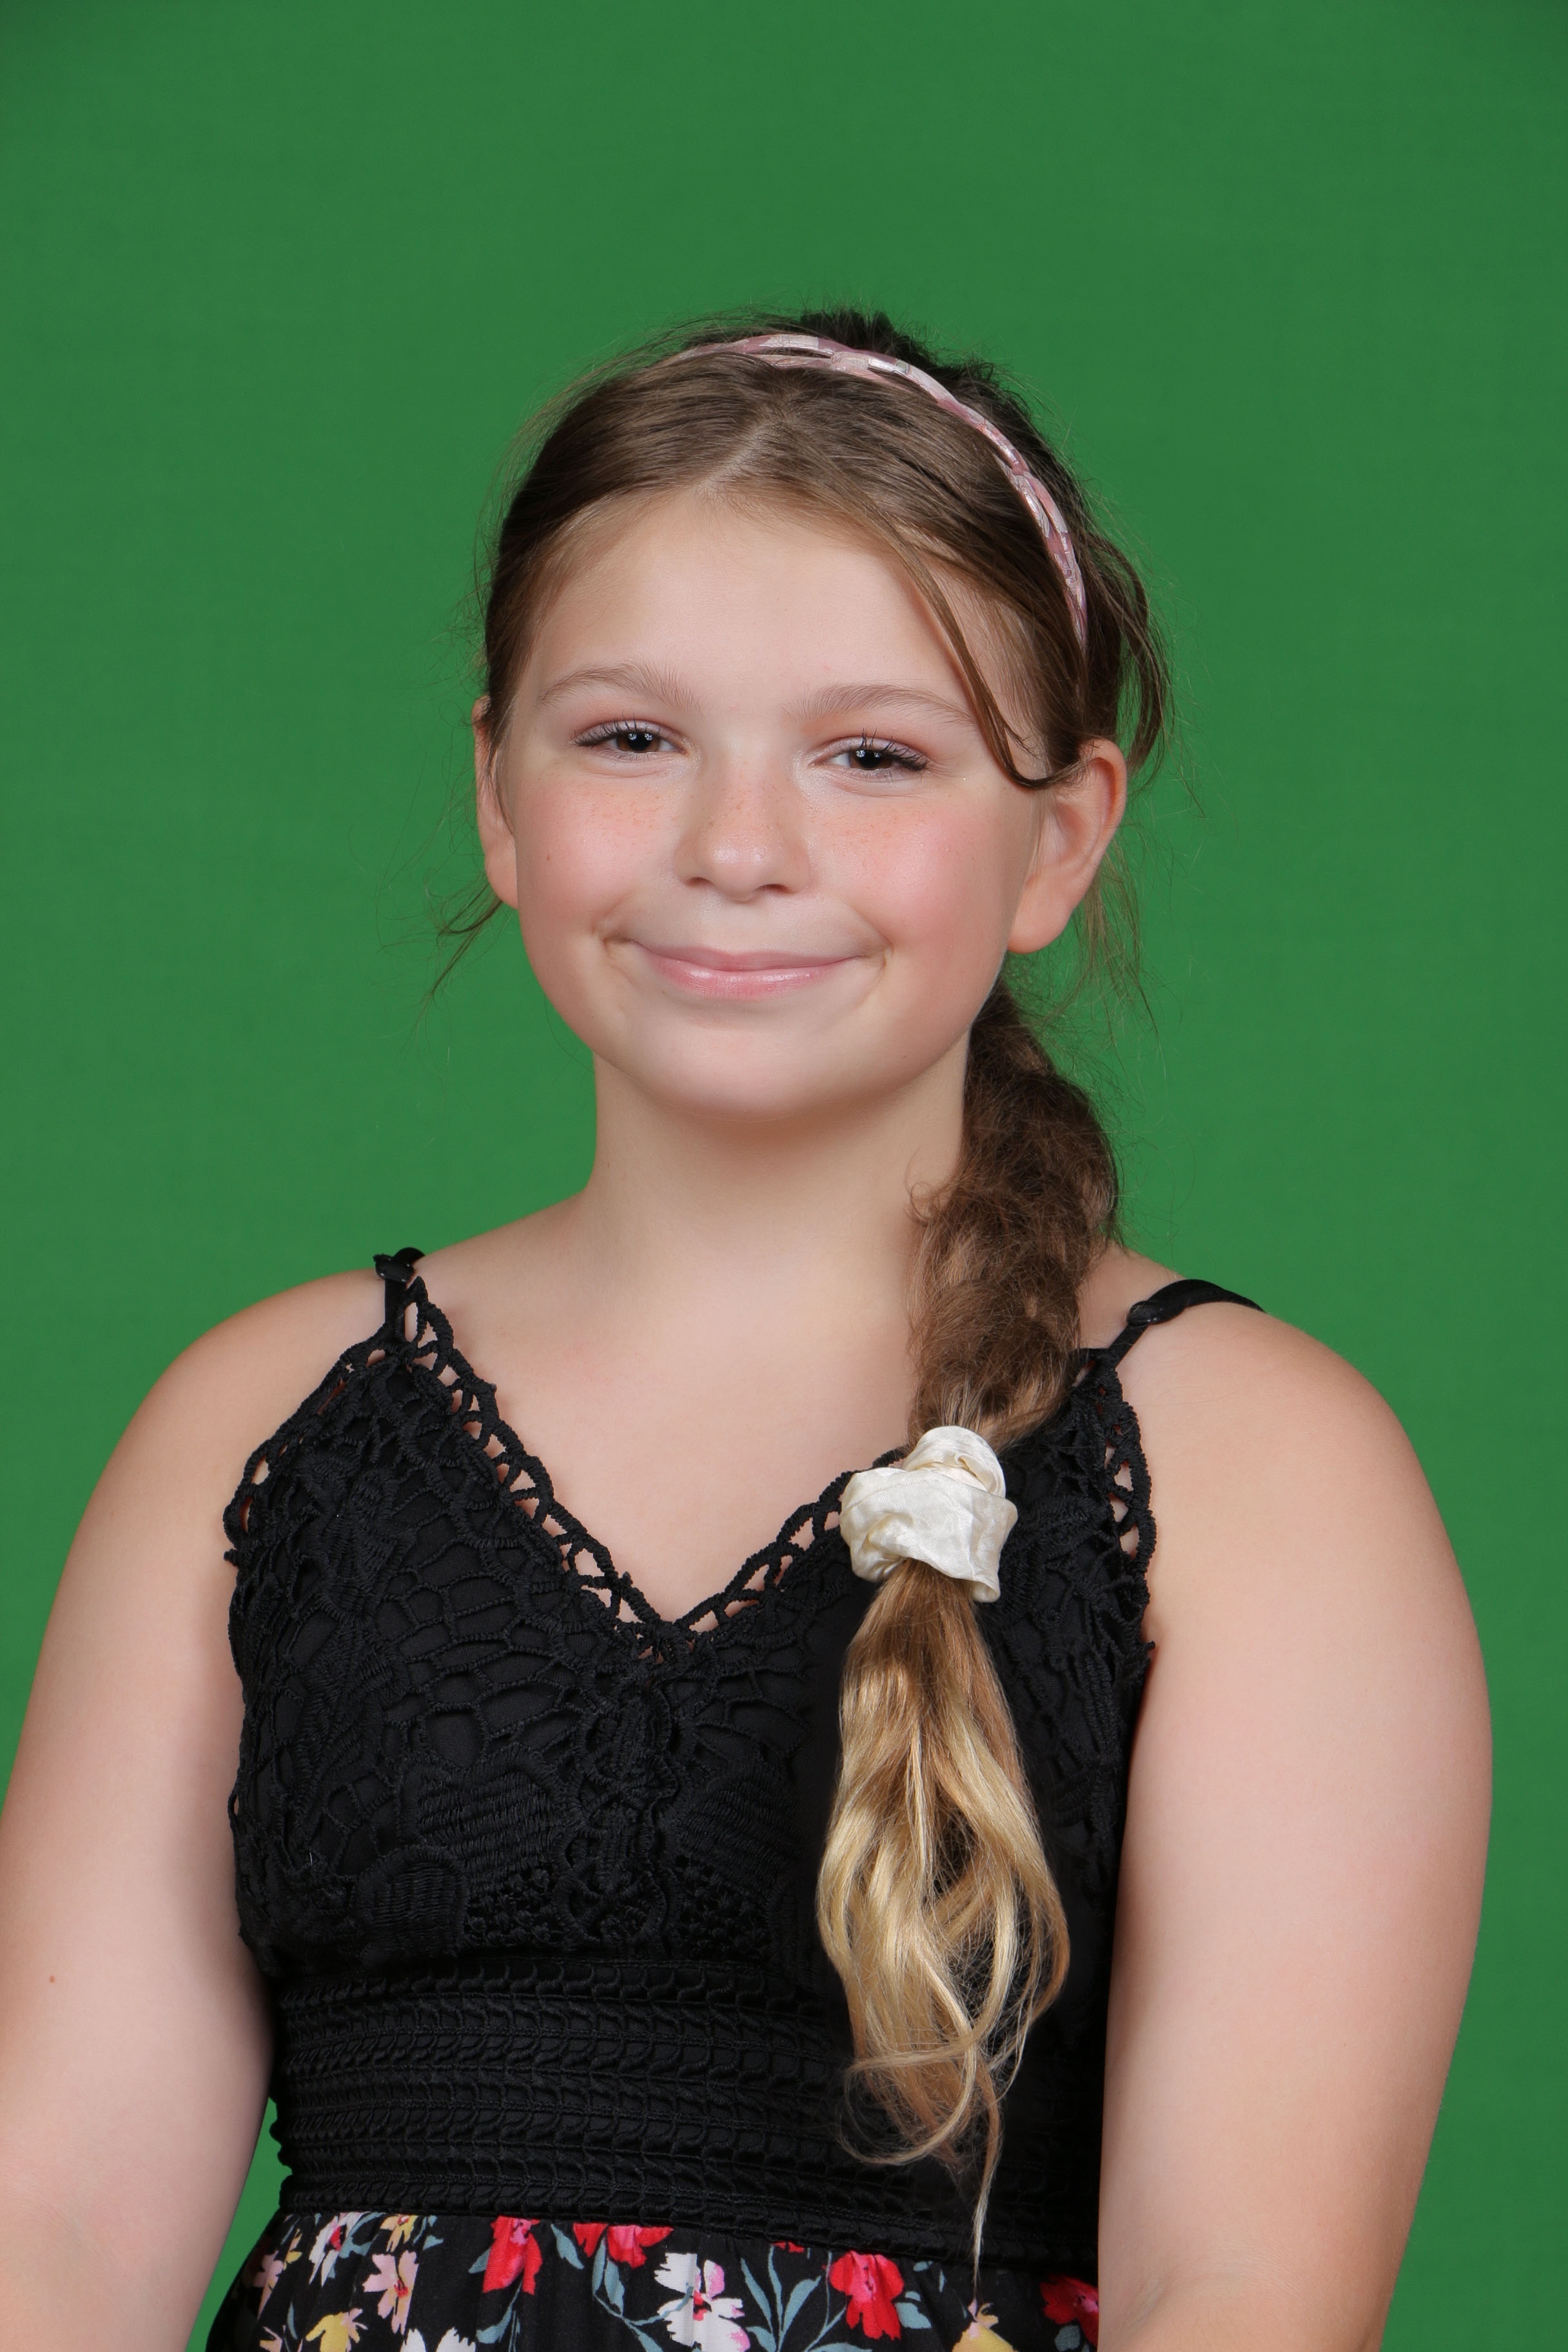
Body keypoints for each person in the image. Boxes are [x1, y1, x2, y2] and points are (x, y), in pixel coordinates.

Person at [0, 311, 1489, 2352]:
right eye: (631, 739)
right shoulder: (263, 1427)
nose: (736, 847)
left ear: (1061, 838)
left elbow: (1244, 2292)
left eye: (872, 755)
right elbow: (54, 2235)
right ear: (497, 793)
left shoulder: (1252, 1462)